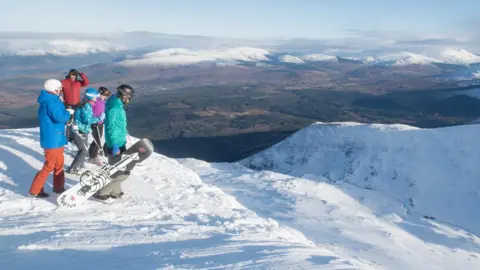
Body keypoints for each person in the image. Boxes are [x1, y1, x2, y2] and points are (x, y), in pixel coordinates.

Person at [29, 79, 75, 197]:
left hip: (56, 137)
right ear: (54, 89)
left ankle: (58, 188)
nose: (61, 90)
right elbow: (60, 118)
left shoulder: (51, 100)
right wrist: (68, 113)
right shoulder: (52, 102)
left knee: (59, 164)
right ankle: (35, 190)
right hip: (53, 139)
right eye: (59, 88)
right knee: (49, 166)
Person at [93, 84, 135, 200]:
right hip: (116, 142)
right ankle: (102, 193)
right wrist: (115, 144)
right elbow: (111, 126)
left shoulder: (115, 102)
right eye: (128, 97)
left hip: (118, 140)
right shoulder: (115, 108)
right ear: (123, 96)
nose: (129, 100)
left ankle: (115, 191)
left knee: (117, 167)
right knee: (122, 172)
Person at [66, 88, 105, 174]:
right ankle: (73, 169)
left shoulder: (86, 104)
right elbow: (87, 120)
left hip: (83, 129)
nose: (96, 98)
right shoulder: (87, 106)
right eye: (95, 97)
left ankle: (80, 166)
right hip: (79, 130)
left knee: (84, 149)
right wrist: (99, 118)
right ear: (91, 97)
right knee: (83, 150)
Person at [61, 69, 90, 141]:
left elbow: (86, 82)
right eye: (72, 74)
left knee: (76, 120)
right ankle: (68, 137)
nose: (73, 76)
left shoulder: (78, 83)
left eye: (74, 75)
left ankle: (74, 136)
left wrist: (81, 74)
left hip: (77, 104)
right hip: (68, 104)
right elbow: (58, 89)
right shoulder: (64, 82)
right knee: (69, 121)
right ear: (69, 74)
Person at [88, 87, 112, 165]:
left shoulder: (102, 101)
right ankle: (92, 157)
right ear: (99, 93)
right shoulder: (95, 101)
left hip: (100, 122)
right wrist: (94, 120)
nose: (105, 97)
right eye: (104, 95)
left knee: (97, 139)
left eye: (106, 96)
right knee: (97, 140)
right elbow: (89, 111)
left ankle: (91, 153)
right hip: (95, 123)